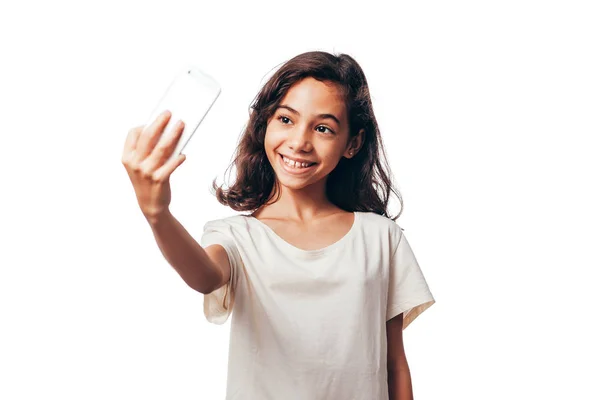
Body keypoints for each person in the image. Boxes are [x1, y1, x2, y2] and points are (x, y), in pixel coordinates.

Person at [122, 50, 435, 400]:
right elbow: (205, 275)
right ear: (264, 124)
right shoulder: (237, 237)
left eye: (322, 128)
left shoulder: (380, 238)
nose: (299, 142)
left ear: (353, 143)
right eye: (286, 119)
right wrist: (158, 213)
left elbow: (394, 364)